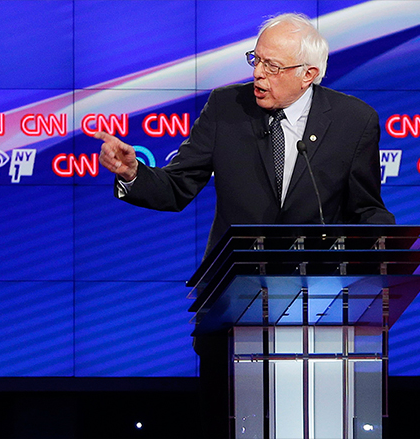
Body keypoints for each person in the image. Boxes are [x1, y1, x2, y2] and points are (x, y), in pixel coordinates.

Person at [96, 13, 394, 437]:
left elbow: (367, 208)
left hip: (320, 312)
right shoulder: (225, 107)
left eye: (273, 66)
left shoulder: (354, 120)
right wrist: (132, 174)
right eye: (256, 60)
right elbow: (178, 187)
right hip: (233, 310)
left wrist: (383, 254)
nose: (258, 73)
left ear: (309, 74)